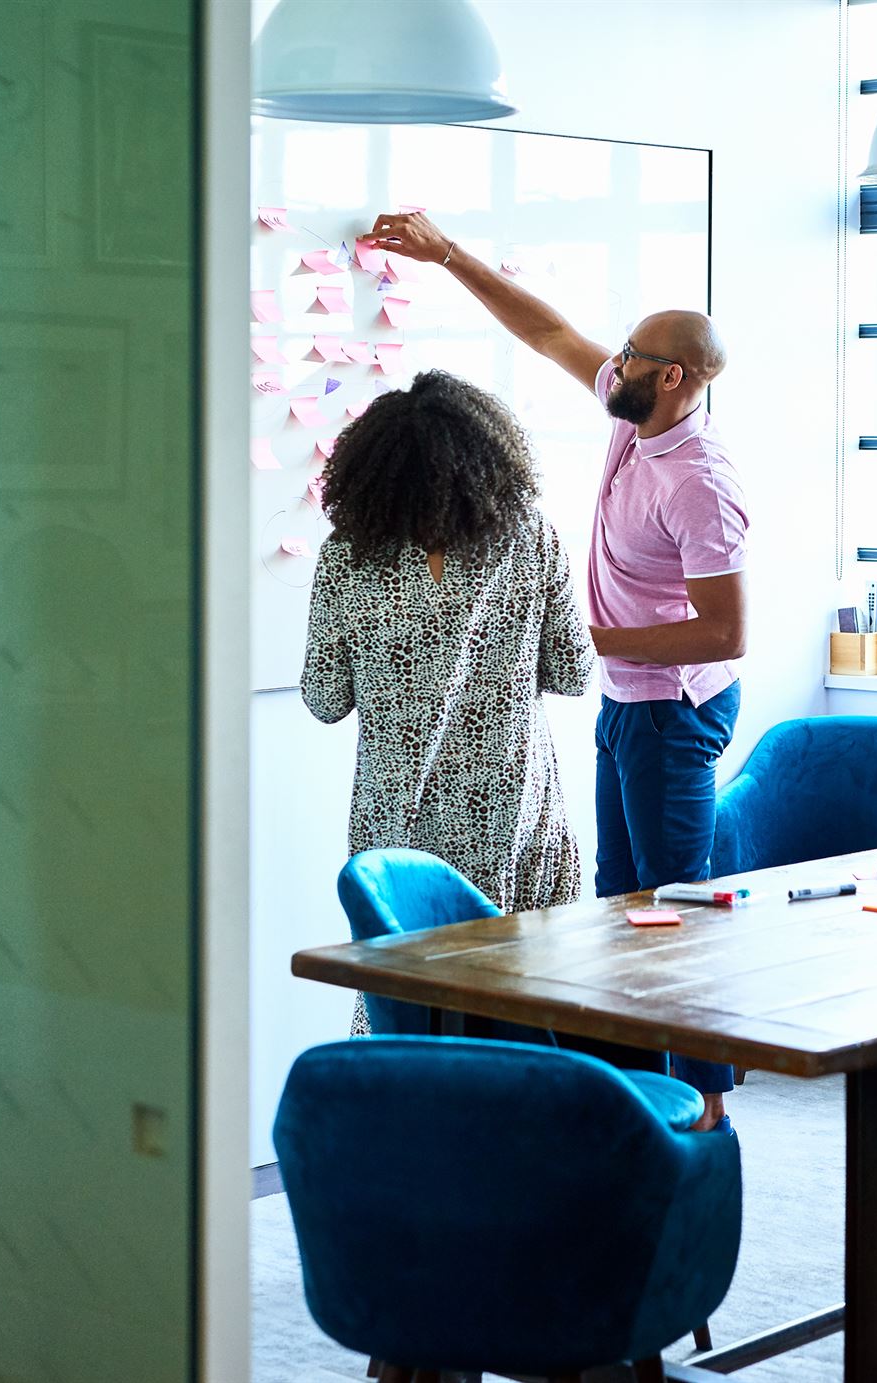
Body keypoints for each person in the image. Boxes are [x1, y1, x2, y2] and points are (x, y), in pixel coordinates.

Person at [366, 210, 748, 1132]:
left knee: (674, 912)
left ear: (675, 376)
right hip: (627, 705)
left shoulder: (699, 480)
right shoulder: (630, 419)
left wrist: (588, 640)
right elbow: (544, 332)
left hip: (673, 710)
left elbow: (726, 633)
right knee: (623, 911)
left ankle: (703, 1109)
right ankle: (630, 1098)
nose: (610, 361)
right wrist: (446, 252)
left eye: (631, 353)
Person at [301, 370, 594, 1035]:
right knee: (524, 999)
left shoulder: (346, 557)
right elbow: (576, 671)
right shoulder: (530, 536)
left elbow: (323, 698)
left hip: (400, 828)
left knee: (403, 1002)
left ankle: (412, 1129)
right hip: (515, 812)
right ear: (488, 459)